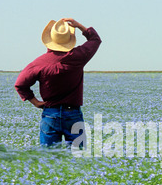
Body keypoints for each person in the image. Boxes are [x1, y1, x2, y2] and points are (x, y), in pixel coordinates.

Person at [15, 18, 101, 147]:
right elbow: (95, 40)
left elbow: (20, 84)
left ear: (50, 40)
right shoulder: (78, 56)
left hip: (50, 114)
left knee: (48, 158)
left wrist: (35, 102)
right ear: (69, 40)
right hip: (73, 114)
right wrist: (78, 26)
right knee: (76, 157)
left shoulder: (39, 62)